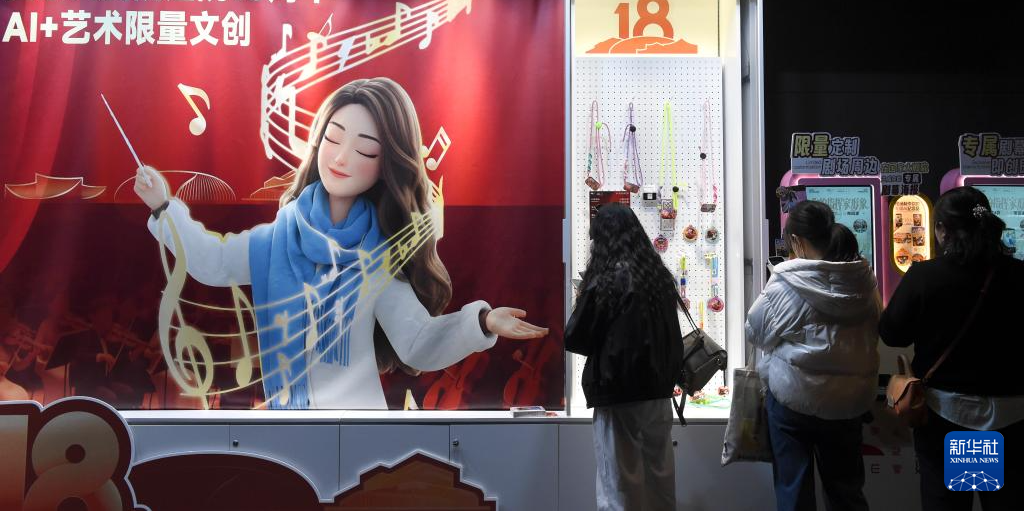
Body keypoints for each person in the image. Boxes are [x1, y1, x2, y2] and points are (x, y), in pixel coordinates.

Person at [135, 77, 547, 408]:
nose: (341, 158)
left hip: (358, 429)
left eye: (364, 150)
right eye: (333, 139)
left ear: (387, 165)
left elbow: (417, 343)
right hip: (289, 423)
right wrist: (164, 208)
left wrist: (481, 322)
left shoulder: (378, 257)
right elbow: (213, 262)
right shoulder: (274, 241)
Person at [880, 186, 1024, 511]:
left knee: (945, 503)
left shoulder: (925, 276)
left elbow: (892, 334)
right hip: (1013, 416)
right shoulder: (1019, 275)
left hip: (945, 415)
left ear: (942, 230)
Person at [746, 200, 880, 511]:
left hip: (795, 399)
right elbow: (877, 325)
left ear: (796, 240)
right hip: (850, 402)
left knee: (794, 492)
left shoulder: (786, 282)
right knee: (846, 492)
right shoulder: (864, 279)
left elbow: (756, 332)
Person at [565, 203, 682, 511]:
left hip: (618, 393)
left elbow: (575, 337)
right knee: (660, 476)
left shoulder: (606, 280)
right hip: (658, 392)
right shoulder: (658, 277)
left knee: (618, 483)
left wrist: (581, 299)